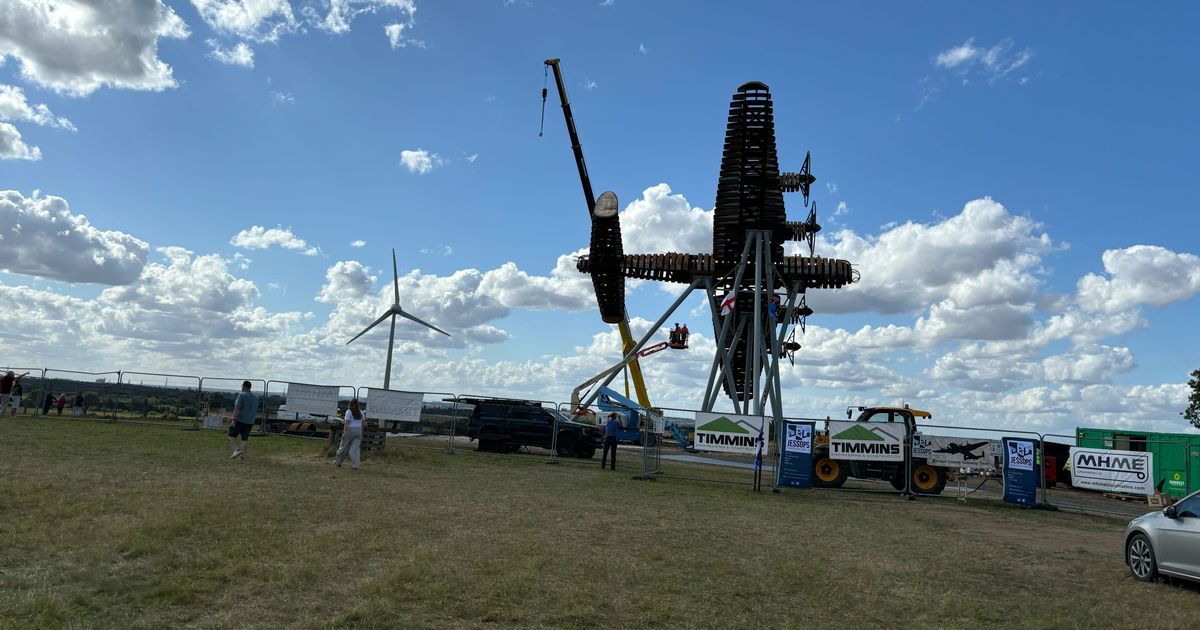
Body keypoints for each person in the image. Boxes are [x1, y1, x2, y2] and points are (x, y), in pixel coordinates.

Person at [227, 381, 258, 460]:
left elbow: (237, 408)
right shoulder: (255, 397)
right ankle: (241, 456)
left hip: (240, 420)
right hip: (250, 421)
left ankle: (236, 450)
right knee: (244, 438)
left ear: (244, 386)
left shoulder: (241, 395)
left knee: (231, 435)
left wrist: (233, 418)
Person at [335, 399, 367, 470]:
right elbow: (364, 423)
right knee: (355, 449)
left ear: (350, 404)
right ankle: (356, 465)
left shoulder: (348, 411)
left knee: (343, 446)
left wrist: (344, 432)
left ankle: (338, 462)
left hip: (350, 430)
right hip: (358, 431)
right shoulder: (361, 412)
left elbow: (346, 423)